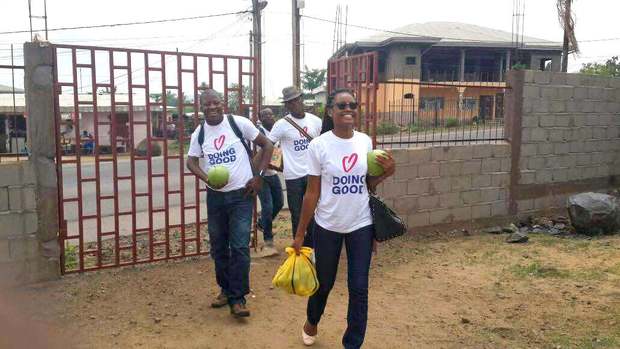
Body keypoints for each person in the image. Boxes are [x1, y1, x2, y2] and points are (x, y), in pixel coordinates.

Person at [292, 89, 396, 348]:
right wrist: (299, 234)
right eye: (341, 105)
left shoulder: (364, 142)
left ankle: (353, 343)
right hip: (327, 225)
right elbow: (312, 192)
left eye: (353, 104)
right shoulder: (319, 145)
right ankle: (312, 320)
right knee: (324, 283)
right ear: (330, 111)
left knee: (359, 287)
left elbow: (366, 185)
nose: (348, 109)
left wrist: (386, 173)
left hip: (361, 224)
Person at [186, 89, 274, 318]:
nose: (212, 107)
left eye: (216, 103)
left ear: (222, 104)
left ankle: (238, 298)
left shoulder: (238, 123)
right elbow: (191, 162)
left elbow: (267, 145)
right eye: (207, 104)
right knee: (218, 247)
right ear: (201, 107)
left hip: (242, 196)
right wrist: (207, 180)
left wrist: (259, 176)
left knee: (239, 246)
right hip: (215, 198)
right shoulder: (200, 133)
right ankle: (225, 290)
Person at [268, 86, 322, 246]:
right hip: (293, 177)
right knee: (297, 214)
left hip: (313, 174)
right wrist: (277, 166)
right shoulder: (281, 125)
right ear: (286, 105)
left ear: (301, 99)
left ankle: (312, 248)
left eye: (296, 100)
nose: (294, 104)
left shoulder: (315, 121)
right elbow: (269, 147)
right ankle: (299, 248)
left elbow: (323, 145)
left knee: (315, 212)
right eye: (290, 102)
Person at [256, 108, 284, 256]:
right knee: (268, 206)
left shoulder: (276, 133)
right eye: (265, 114)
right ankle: (268, 240)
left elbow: (277, 155)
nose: (269, 116)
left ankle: (262, 224)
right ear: (260, 118)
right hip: (261, 175)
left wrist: (280, 165)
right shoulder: (258, 133)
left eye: (271, 114)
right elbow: (259, 156)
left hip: (272, 173)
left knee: (279, 202)